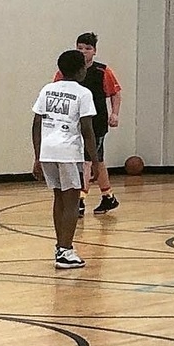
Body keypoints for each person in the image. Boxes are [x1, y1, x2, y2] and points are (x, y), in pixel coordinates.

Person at [33, 50, 99, 269]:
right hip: (69, 152)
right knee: (72, 201)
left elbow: (36, 124)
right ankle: (65, 251)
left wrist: (37, 156)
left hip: (48, 151)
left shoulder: (47, 89)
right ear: (81, 69)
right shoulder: (83, 93)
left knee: (58, 199)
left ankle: (60, 246)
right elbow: (88, 130)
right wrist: (95, 161)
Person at [54, 32, 122, 217]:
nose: (83, 52)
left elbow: (115, 93)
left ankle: (80, 200)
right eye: (80, 48)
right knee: (97, 161)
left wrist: (114, 113)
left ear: (95, 51)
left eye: (88, 48)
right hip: (74, 123)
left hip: (96, 123)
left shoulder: (103, 71)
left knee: (86, 161)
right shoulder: (65, 72)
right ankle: (108, 196)